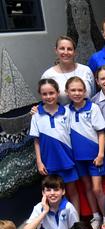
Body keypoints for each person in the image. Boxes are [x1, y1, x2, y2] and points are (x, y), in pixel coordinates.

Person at [30, 79, 80, 210]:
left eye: (51, 93)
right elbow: (36, 141)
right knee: (54, 195)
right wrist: (39, 162)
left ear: (58, 93)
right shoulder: (36, 116)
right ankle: (59, 223)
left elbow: (72, 136)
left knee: (72, 191)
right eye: (44, 94)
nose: (48, 96)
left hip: (67, 159)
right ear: (40, 95)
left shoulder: (67, 112)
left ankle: (75, 223)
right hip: (49, 163)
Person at [66, 76, 105, 229]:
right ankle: (96, 217)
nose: (77, 93)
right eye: (73, 90)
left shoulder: (93, 108)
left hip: (94, 156)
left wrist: (101, 153)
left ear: (85, 91)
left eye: (80, 90)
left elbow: (101, 132)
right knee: (87, 187)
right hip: (77, 158)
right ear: (67, 92)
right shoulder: (65, 111)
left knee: (97, 188)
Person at [41, 36, 94, 104]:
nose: (66, 52)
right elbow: (46, 102)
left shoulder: (86, 71)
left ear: (75, 52)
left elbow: (92, 95)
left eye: (69, 49)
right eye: (62, 48)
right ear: (56, 50)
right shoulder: (48, 75)